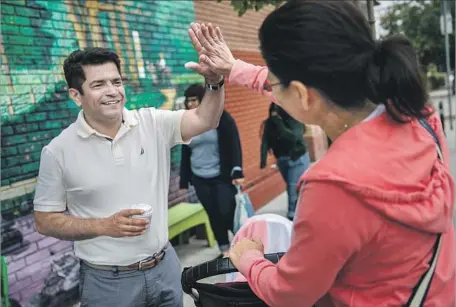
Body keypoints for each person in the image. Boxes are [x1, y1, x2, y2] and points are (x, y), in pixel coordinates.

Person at [189, 2, 455, 306]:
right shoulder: (420, 118)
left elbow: (290, 293)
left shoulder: (332, 185)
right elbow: (301, 88)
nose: (272, 88)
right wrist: (235, 69)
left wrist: (249, 258)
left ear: (302, 95)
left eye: (275, 82)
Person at [33, 22, 227, 307]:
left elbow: (206, 119)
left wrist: (215, 82)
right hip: (107, 283)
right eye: (98, 84)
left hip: (165, 266)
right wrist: (103, 225)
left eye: (116, 81)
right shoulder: (58, 151)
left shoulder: (152, 122)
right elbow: (44, 220)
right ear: (76, 95)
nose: (112, 91)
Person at [179, 83, 244, 257]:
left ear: (202, 100)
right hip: (199, 177)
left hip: (221, 175)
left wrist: (237, 170)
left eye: (194, 100)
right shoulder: (187, 123)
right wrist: (184, 178)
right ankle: (224, 249)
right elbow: (185, 151)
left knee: (226, 211)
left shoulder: (221, 118)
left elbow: (234, 144)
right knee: (213, 214)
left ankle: (242, 243)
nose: (190, 104)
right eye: (188, 101)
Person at [260, 102, 310, 220]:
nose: (275, 114)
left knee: (292, 187)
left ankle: (292, 215)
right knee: (294, 186)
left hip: (297, 158)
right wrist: (263, 159)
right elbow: (265, 141)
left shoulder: (294, 120)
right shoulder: (269, 123)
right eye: (273, 111)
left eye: (278, 111)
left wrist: (279, 124)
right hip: (282, 159)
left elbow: (293, 138)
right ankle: (303, 207)